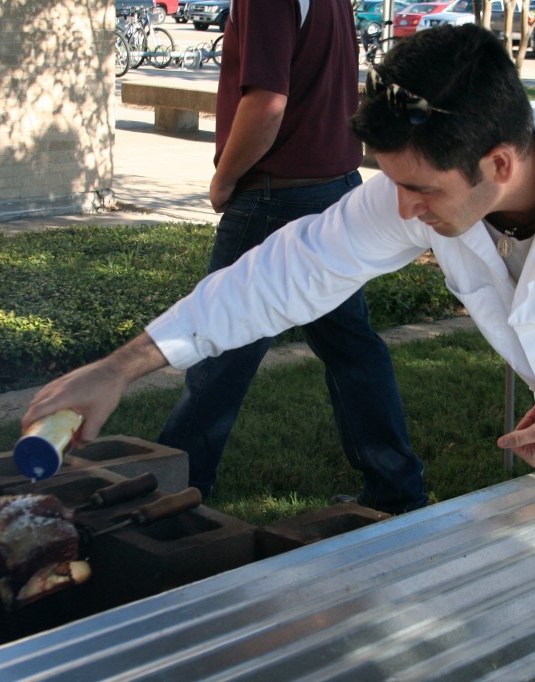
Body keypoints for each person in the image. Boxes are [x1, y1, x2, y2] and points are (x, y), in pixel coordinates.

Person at [24, 24, 535, 521]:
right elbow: (294, 267)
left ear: (498, 163)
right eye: (394, 182)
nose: (403, 207)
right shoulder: (434, 181)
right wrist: (122, 368)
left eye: (421, 189)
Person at [155, 0, 428, 513]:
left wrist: (225, 177)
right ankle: (396, 489)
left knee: (219, 344)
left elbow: (267, 104)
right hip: (334, 187)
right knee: (352, 350)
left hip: (277, 195)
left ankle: (173, 495)